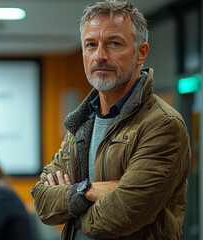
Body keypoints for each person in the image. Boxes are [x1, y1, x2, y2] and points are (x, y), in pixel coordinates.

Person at [31, 1, 191, 239]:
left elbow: (121, 216)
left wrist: (70, 205)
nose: (100, 56)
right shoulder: (82, 121)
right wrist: (87, 191)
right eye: (90, 45)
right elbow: (43, 204)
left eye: (114, 44)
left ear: (141, 53)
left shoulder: (162, 124)